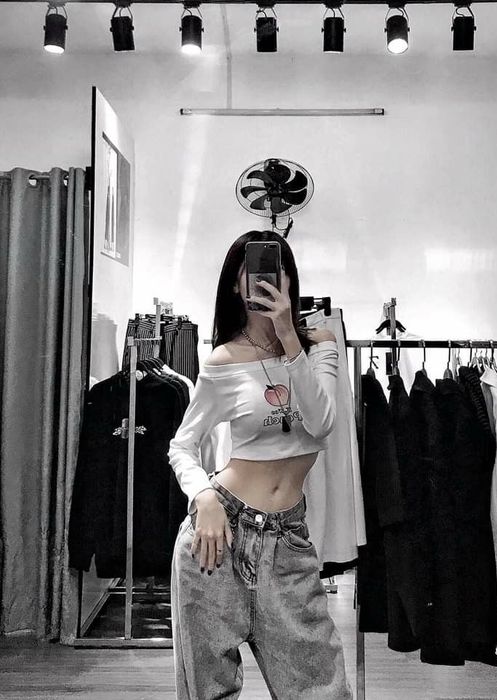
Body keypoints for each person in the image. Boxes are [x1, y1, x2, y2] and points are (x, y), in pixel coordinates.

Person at [168, 229, 353, 699]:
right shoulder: (223, 361)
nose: (267, 280)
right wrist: (204, 496)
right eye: (252, 272)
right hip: (218, 538)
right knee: (209, 693)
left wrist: (289, 334)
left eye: (278, 270)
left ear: (290, 280)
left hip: (288, 543)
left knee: (323, 690)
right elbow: (182, 445)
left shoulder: (320, 345)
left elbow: (321, 423)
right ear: (236, 285)